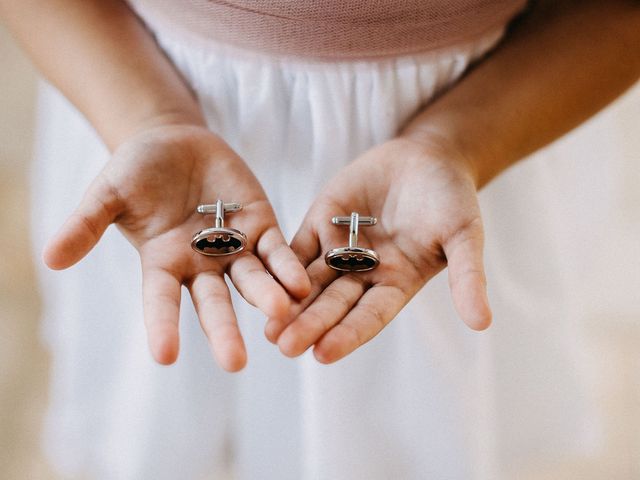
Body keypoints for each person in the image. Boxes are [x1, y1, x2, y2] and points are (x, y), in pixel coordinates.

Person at [1, 0, 639, 478]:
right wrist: (149, 119)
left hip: (488, 114)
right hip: (139, 92)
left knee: (427, 420)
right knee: (172, 415)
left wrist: (457, 143)